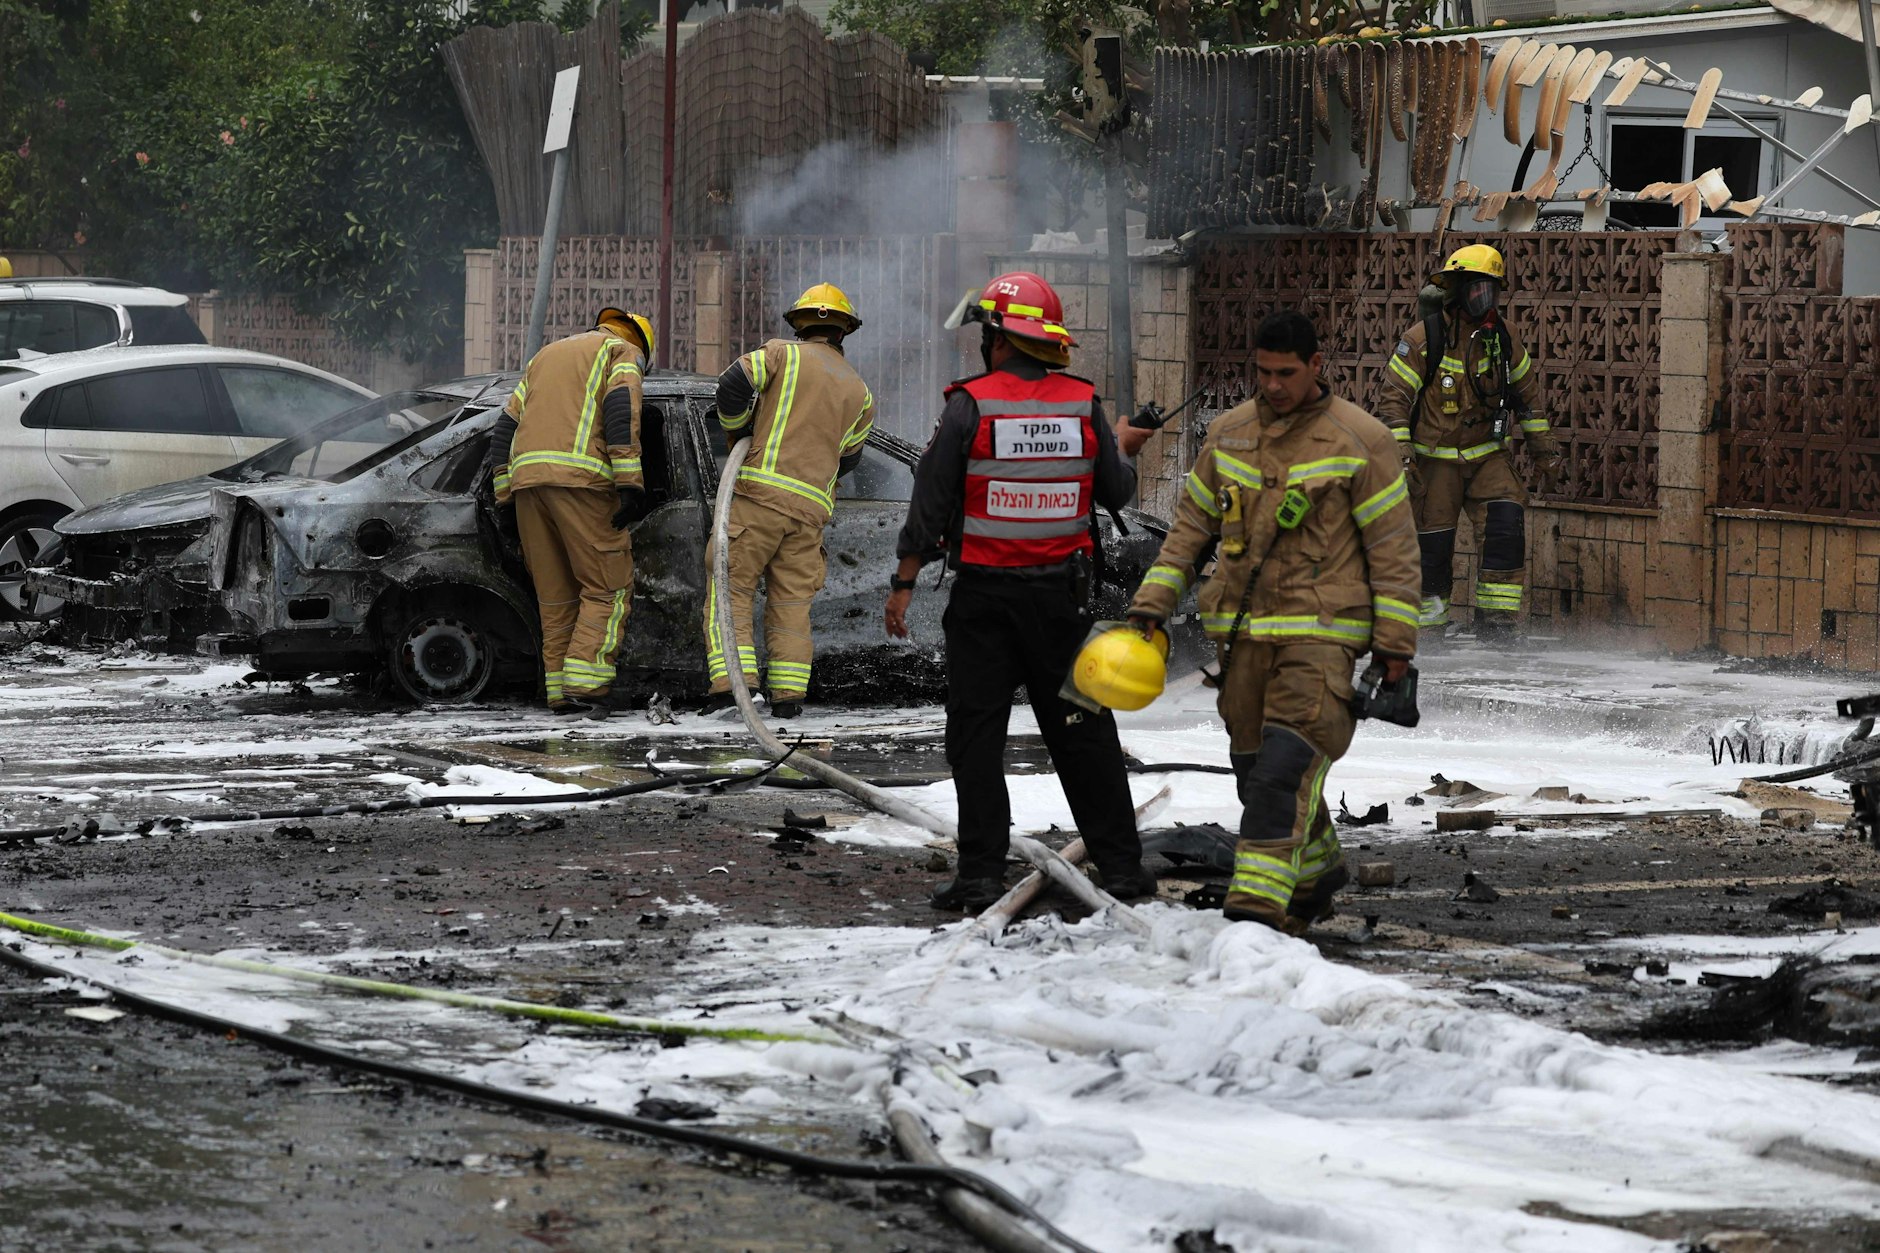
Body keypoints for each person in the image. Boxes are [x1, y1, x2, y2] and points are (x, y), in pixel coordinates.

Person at [1125, 311, 1420, 934]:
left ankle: (1256, 918)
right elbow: (1188, 535)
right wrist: (1150, 607)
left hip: (1323, 639)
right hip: (1242, 641)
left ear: (1317, 365)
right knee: (1255, 775)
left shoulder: (1361, 440)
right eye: (1263, 372)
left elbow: (1394, 550)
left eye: (1287, 373)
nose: (1274, 386)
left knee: (1284, 773)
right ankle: (1314, 877)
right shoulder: (1229, 434)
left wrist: (1395, 647)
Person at [887, 269, 1156, 913]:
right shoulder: (1083, 403)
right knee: (1084, 731)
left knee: (977, 737)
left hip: (984, 604)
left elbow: (931, 500)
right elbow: (1117, 493)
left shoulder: (969, 404)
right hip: (1063, 603)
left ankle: (980, 875)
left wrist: (904, 581)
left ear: (999, 339)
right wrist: (1122, 447)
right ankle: (1121, 869)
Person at [1373, 243, 1562, 646]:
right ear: (1456, 291)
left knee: (1506, 529)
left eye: (1491, 290)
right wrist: (1402, 455)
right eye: (1476, 289)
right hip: (1434, 462)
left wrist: (1543, 450)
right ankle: (1428, 634)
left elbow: (1528, 397)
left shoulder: (1505, 338)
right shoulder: (1423, 339)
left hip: (1487, 456)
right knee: (1432, 551)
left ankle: (1496, 627)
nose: (1484, 299)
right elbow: (1392, 401)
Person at [703, 283, 874, 719]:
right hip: (809, 513)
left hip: (759, 496)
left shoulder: (781, 354)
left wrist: (740, 431)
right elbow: (849, 459)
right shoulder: (860, 392)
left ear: (800, 325)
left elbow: (732, 383)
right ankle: (788, 698)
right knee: (792, 605)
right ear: (843, 332)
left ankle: (733, 690)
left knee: (731, 587)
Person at [483, 306, 654, 714]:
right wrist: (630, 483)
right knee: (608, 589)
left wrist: (506, 497)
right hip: (582, 483)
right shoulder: (620, 353)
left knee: (556, 599)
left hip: (528, 488)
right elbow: (620, 411)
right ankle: (587, 686)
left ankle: (559, 693)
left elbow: (504, 429)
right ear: (640, 343)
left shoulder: (546, 356)